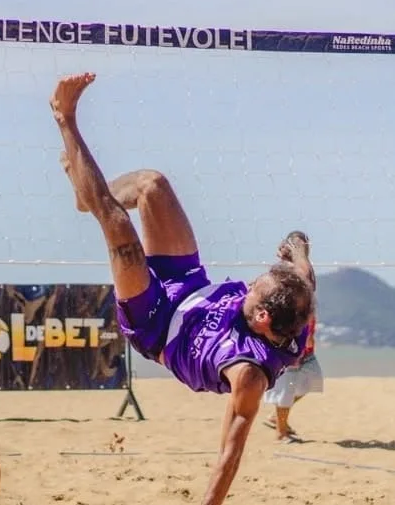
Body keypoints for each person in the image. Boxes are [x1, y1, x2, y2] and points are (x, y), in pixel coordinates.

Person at [50, 72, 316, 505]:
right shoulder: (296, 310)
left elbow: (230, 453)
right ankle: (86, 192)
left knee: (117, 227)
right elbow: (305, 275)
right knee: (152, 184)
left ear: (263, 316)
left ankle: (65, 118)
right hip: (188, 285)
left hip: (156, 324)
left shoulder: (249, 373)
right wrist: (297, 248)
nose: (248, 284)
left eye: (255, 288)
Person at [263, 231, 324, 443]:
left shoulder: (303, 268)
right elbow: (305, 281)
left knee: (312, 380)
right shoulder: (285, 271)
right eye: (300, 245)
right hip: (289, 340)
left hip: (306, 340)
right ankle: (281, 432)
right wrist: (298, 248)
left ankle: (276, 418)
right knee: (287, 388)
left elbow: (309, 282)